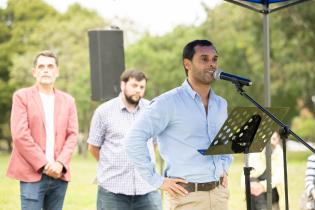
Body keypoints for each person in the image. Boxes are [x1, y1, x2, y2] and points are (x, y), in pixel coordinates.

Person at [125, 39, 233, 210]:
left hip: (220, 195)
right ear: (187, 64)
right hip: (186, 198)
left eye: (214, 59)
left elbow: (225, 144)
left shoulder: (221, 105)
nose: (211, 64)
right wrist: (156, 180)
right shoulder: (168, 103)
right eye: (204, 59)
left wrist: (224, 167)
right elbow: (133, 139)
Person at [6, 50, 79, 210]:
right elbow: (20, 136)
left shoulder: (68, 101)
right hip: (32, 175)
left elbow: (73, 135)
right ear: (34, 72)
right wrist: (46, 165)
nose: (46, 69)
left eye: (50, 66)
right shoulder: (21, 97)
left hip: (60, 176)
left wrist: (59, 163)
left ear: (57, 71)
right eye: (41, 66)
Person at [87, 70, 162, 210]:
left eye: (141, 87)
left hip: (147, 189)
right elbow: (93, 147)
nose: (138, 90)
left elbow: (154, 143)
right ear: (123, 85)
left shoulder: (152, 110)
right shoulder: (103, 112)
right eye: (134, 85)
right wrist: (111, 163)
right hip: (113, 191)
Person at [243, 131, 284, 210]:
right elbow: (246, 172)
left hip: (271, 186)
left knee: (258, 194)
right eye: (269, 139)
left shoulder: (279, 152)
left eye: (274, 139)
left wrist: (262, 186)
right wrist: (251, 186)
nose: (271, 142)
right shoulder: (258, 150)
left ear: (278, 140)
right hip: (255, 185)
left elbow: (279, 176)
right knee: (253, 186)